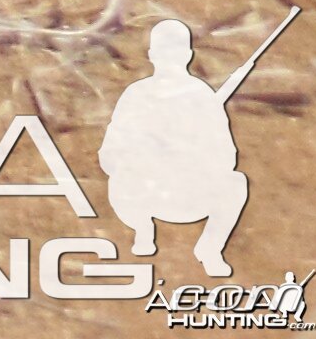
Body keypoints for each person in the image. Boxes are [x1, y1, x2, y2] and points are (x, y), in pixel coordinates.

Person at [99, 16, 255, 278]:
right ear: (152, 55)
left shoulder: (203, 97)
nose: (170, 58)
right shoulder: (136, 95)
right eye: (165, 51)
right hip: (142, 193)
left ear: (187, 55)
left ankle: (210, 249)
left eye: (175, 51)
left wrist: (193, 153)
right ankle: (143, 230)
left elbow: (227, 156)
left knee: (235, 183)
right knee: (124, 175)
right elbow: (109, 154)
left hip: (187, 193)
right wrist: (143, 155)